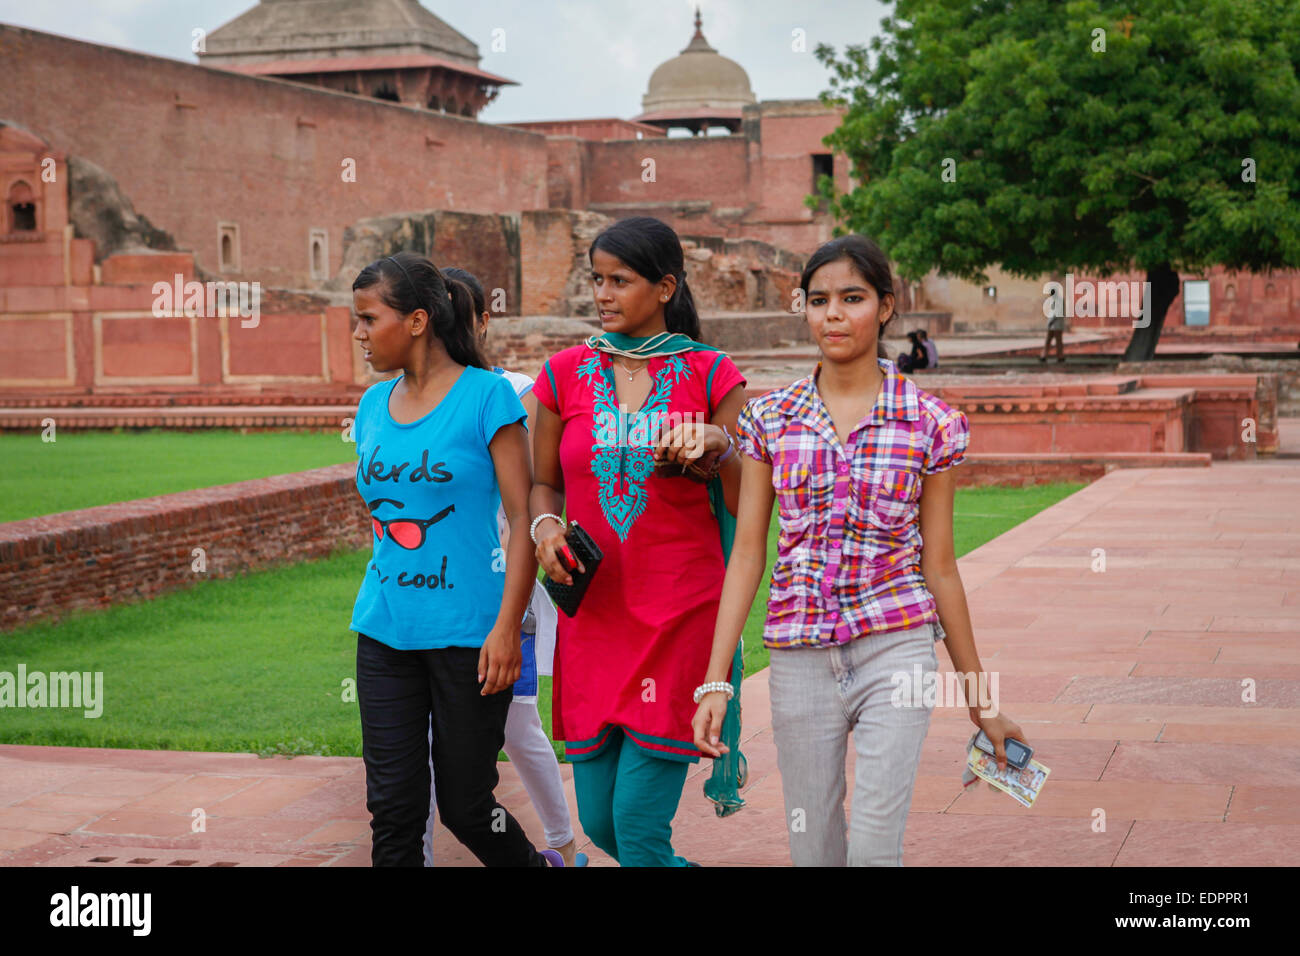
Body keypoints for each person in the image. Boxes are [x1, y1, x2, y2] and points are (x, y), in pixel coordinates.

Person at [692, 234, 1027, 866]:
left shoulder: (929, 422)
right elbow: (747, 556)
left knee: (875, 849)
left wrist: (982, 703)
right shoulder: (772, 419)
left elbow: (941, 567)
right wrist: (716, 681)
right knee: (812, 847)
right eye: (818, 301)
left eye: (852, 298)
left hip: (895, 648)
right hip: (799, 657)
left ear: (886, 306)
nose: (833, 315)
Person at [529, 216, 748, 866]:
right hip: (594, 618)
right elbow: (544, 483)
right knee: (600, 825)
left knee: (640, 828)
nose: (602, 293)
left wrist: (720, 444)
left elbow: (743, 499)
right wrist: (545, 528)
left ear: (665, 287)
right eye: (596, 279)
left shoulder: (712, 376)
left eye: (619, 280)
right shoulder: (563, 374)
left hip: (679, 615)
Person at [349, 251, 550, 866]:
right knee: (394, 809)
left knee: (468, 805)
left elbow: (522, 521)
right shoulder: (371, 408)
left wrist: (507, 627)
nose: (357, 334)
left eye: (366, 318)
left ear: (415, 321)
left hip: (472, 636)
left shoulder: (488, 397)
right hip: (385, 629)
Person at [420, 266, 581, 867]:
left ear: (485, 322)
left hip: (510, 585)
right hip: (440, 582)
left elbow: (533, 495)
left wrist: (522, 583)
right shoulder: (415, 397)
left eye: (463, 317)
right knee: (429, 734)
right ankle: (423, 853)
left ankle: (563, 843)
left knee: (517, 723)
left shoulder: (515, 391)